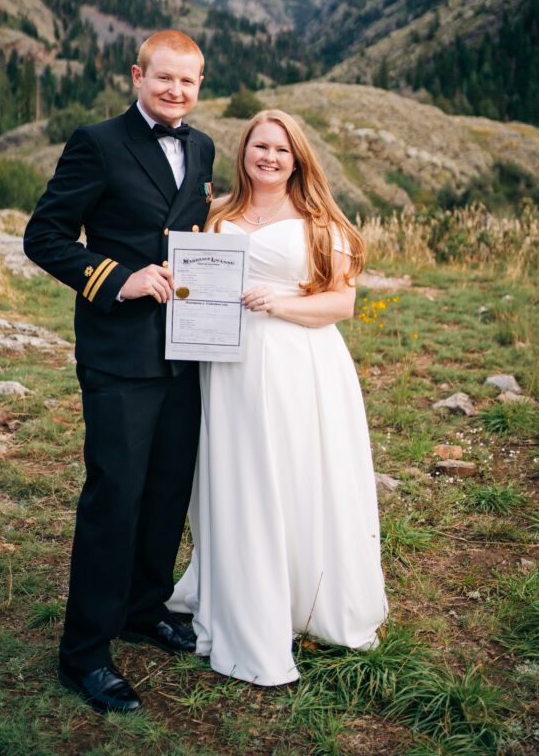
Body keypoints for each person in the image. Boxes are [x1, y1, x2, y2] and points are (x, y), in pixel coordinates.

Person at [23, 30, 215, 713]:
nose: (175, 91)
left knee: (167, 492)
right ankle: (85, 653)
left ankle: (144, 608)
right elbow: (43, 236)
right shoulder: (97, 143)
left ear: (199, 86)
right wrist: (117, 280)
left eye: (188, 82)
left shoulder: (202, 147)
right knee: (115, 499)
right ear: (138, 75)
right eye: (163, 78)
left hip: (187, 351)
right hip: (118, 353)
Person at [169, 109, 388, 686]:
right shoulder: (217, 217)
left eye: (281, 150)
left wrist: (279, 303)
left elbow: (340, 304)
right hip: (229, 370)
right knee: (239, 479)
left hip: (299, 365)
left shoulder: (319, 221)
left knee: (294, 476)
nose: (269, 157)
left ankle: (302, 598)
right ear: (243, 153)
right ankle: (243, 595)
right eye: (259, 146)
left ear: (298, 160)